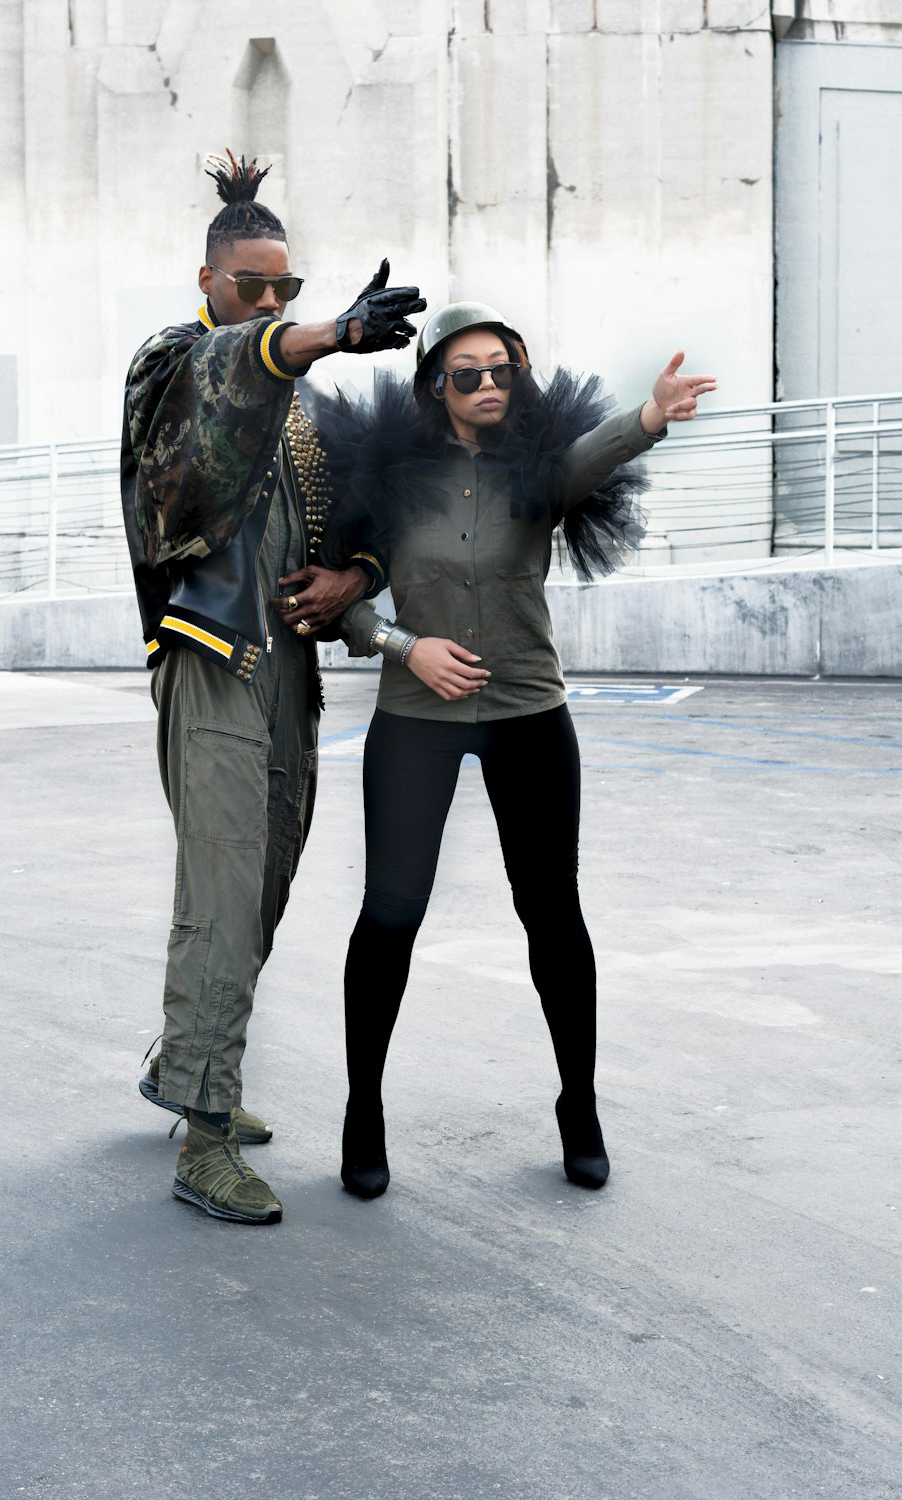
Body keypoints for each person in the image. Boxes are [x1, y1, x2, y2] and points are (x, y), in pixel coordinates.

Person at [307, 301, 715, 1198]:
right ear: (436, 389)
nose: (488, 386)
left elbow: (588, 460)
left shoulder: (537, 469)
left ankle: (580, 1105)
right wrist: (405, 646)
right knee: (390, 915)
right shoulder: (392, 473)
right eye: (467, 375)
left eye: (503, 370)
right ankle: (362, 1110)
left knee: (552, 915)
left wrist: (651, 416)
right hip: (416, 715)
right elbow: (345, 595)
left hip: (529, 711)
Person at [120, 150, 425, 1224]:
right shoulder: (175, 363)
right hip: (210, 659)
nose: (265, 300)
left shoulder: (301, 414)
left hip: (288, 673)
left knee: (264, 887)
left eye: (283, 287)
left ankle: (181, 1062)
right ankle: (204, 1131)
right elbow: (231, 377)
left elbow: (345, 535)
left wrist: (361, 575)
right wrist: (329, 331)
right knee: (220, 889)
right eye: (249, 284)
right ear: (207, 282)